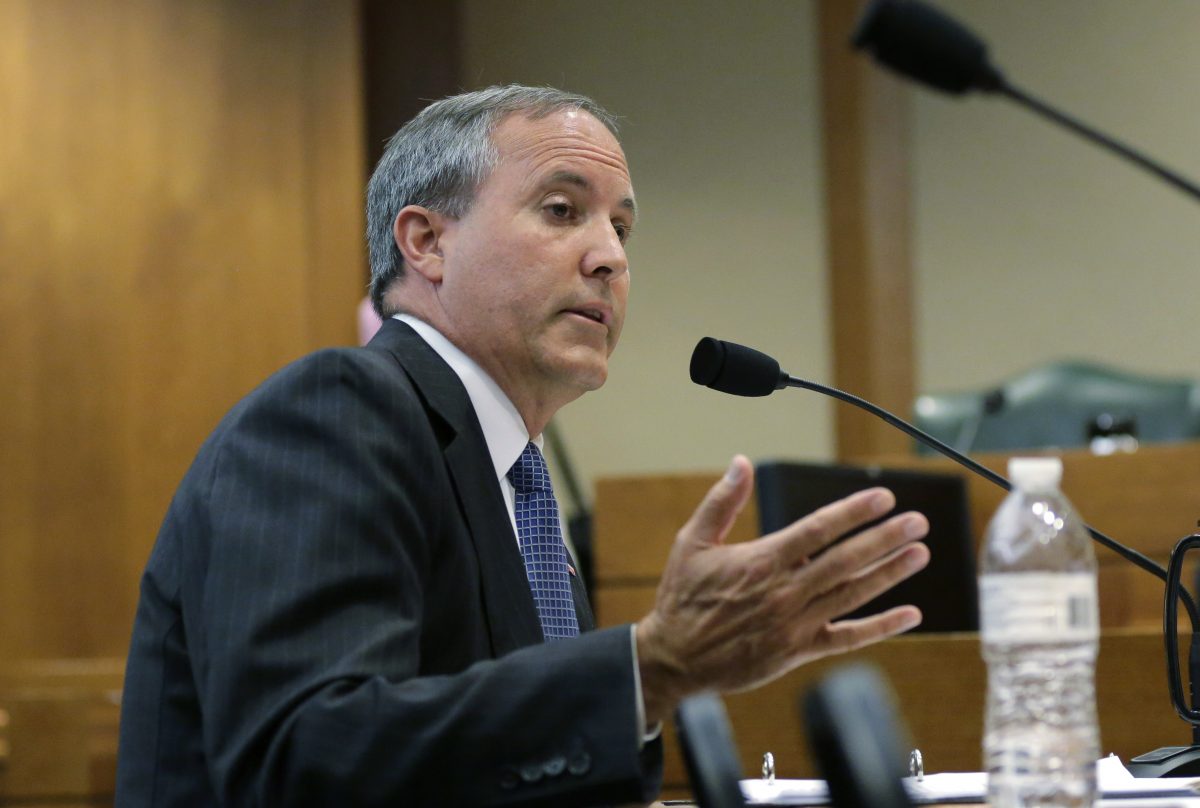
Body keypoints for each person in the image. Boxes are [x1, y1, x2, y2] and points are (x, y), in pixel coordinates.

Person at [116, 84, 930, 807]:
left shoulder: (516, 480)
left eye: (621, 227)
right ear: (426, 242)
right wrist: (646, 671)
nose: (610, 255)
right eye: (562, 210)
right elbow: (304, 760)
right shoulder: (337, 411)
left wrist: (642, 690)